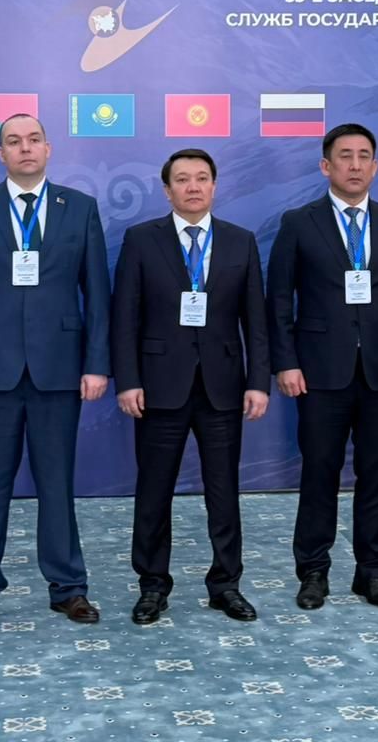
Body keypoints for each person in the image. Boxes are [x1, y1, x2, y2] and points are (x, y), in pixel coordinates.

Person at [0, 113, 111, 629]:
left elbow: (98, 294)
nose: (25, 148)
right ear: (1, 154)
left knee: (57, 484)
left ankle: (69, 588)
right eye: (14, 141)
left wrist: (97, 364)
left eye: (34, 139)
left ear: (48, 149)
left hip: (59, 369)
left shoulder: (80, 207)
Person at [267, 123, 378, 611]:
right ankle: (313, 572)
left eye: (363, 156)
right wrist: (285, 362)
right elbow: (279, 301)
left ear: (375, 167)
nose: (354, 165)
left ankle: (372, 573)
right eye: (345, 156)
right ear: (326, 166)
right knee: (319, 474)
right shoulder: (299, 222)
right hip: (319, 374)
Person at [111, 149, 270, 625]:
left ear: (215, 186)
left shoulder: (241, 241)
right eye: (182, 179)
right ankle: (152, 586)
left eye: (202, 178)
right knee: (153, 491)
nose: (193, 186)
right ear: (167, 191)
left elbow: (256, 321)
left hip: (223, 387)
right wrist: (128, 380)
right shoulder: (142, 240)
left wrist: (258, 382)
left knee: (224, 491)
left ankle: (226, 585)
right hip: (159, 387)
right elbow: (124, 318)